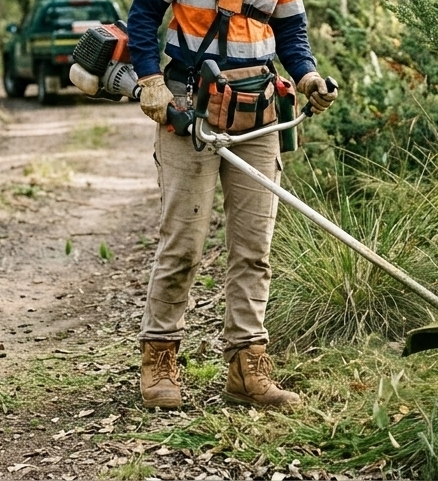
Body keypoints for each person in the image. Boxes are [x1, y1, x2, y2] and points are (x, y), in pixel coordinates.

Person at [127, 0, 337, 409]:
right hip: (189, 107)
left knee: (254, 249)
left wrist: (307, 76)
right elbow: (143, 16)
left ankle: (247, 367)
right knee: (183, 246)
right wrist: (151, 79)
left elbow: (291, 32)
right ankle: (159, 357)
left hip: (258, 112)